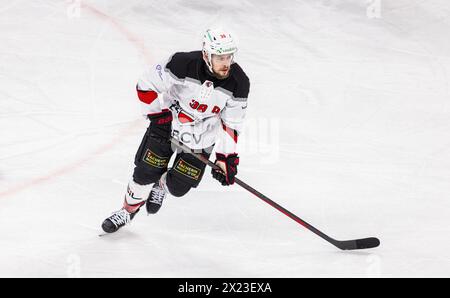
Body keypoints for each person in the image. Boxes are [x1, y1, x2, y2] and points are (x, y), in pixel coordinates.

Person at [101, 28, 250, 233]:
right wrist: (157, 116)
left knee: (179, 188)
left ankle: (161, 185)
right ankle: (127, 211)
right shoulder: (180, 63)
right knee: (145, 174)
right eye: (219, 57)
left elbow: (232, 123)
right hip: (167, 127)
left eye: (229, 57)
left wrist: (226, 157)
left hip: (201, 138)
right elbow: (145, 84)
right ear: (207, 54)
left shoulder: (239, 82)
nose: (225, 63)